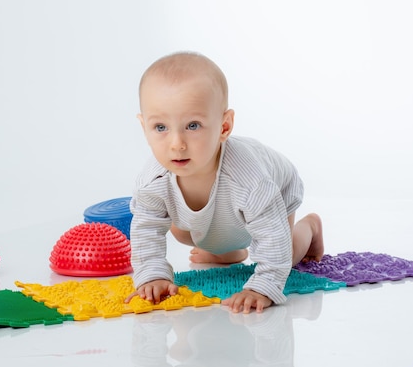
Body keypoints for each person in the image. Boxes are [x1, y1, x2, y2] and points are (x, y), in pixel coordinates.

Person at [125, 51, 324, 314]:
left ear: (224, 127)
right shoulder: (153, 180)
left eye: (193, 125)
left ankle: (309, 226)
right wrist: (152, 275)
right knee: (178, 229)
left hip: (275, 191)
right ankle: (225, 252)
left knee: (284, 254)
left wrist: (262, 287)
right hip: (224, 211)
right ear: (144, 127)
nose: (177, 144)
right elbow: (146, 229)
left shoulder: (250, 180)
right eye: (160, 128)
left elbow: (272, 239)